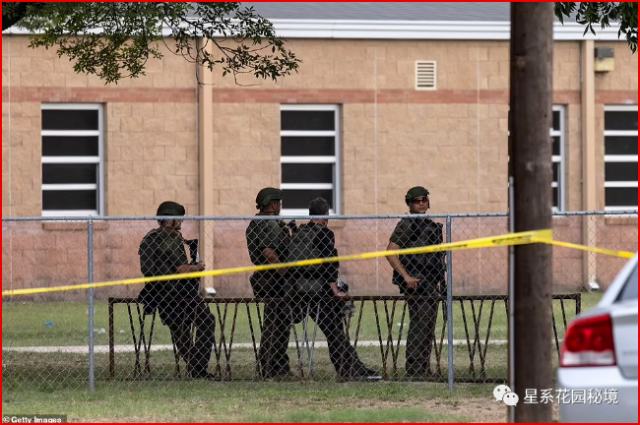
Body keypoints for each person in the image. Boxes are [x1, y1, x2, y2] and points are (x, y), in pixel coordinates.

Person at [287, 197, 381, 381]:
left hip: (299, 291)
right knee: (335, 331)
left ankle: (352, 366)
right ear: (326, 214)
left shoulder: (300, 232)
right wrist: (335, 290)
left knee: (333, 331)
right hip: (319, 291)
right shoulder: (325, 234)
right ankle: (349, 369)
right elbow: (329, 264)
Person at [138, 201, 216, 379]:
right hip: (180, 293)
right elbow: (182, 269)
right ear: (169, 220)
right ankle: (199, 368)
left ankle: (196, 368)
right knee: (207, 321)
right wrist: (197, 267)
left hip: (158, 294)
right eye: (179, 219)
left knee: (180, 330)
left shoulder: (149, 238)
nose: (181, 222)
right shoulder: (170, 239)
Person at [385, 187, 446, 380]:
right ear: (410, 203)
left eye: (424, 200)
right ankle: (415, 370)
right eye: (417, 201)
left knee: (427, 326)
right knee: (420, 325)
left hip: (430, 282)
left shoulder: (429, 225)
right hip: (416, 283)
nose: (421, 203)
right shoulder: (407, 225)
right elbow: (391, 251)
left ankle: (423, 368)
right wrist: (406, 276)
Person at [245, 188, 295, 379]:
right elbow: (269, 252)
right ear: (273, 204)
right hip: (274, 279)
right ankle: (273, 367)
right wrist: (284, 272)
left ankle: (273, 366)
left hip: (265, 277)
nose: (280, 207)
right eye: (278, 203)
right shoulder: (270, 224)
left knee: (276, 322)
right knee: (277, 324)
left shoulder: (256, 223)